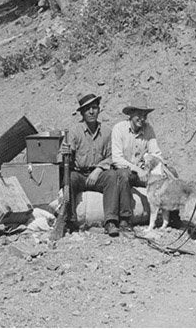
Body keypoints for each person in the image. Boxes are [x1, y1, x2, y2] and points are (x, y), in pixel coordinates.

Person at [62, 93, 132, 237]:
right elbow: (64, 157)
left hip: (99, 175)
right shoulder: (74, 132)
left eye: (94, 108)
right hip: (80, 174)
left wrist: (99, 169)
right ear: (82, 113)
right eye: (87, 109)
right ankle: (70, 221)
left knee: (112, 176)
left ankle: (110, 221)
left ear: (99, 110)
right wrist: (65, 153)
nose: (91, 112)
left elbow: (112, 156)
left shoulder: (107, 132)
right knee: (70, 178)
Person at [110, 101, 162, 229]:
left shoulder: (148, 129)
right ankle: (125, 219)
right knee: (123, 176)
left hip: (144, 172)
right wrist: (138, 170)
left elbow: (155, 153)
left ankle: (173, 216)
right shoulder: (119, 129)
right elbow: (117, 159)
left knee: (170, 172)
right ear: (131, 114)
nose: (142, 118)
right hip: (126, 171)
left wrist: (155, 165)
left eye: (145, 115)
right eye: (139, 115)